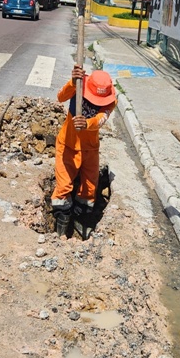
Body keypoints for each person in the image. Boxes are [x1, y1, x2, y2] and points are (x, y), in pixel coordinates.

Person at [51, 65, 117, 239]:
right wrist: (72, 83)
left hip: (90, 149)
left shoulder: (111, 100)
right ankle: (61, 229)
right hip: (68, 145)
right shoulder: (79, 85)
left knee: (89, 189)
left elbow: (100, 119)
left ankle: (83, 222)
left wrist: (87, 124)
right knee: (63, 188)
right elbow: (60, 97)